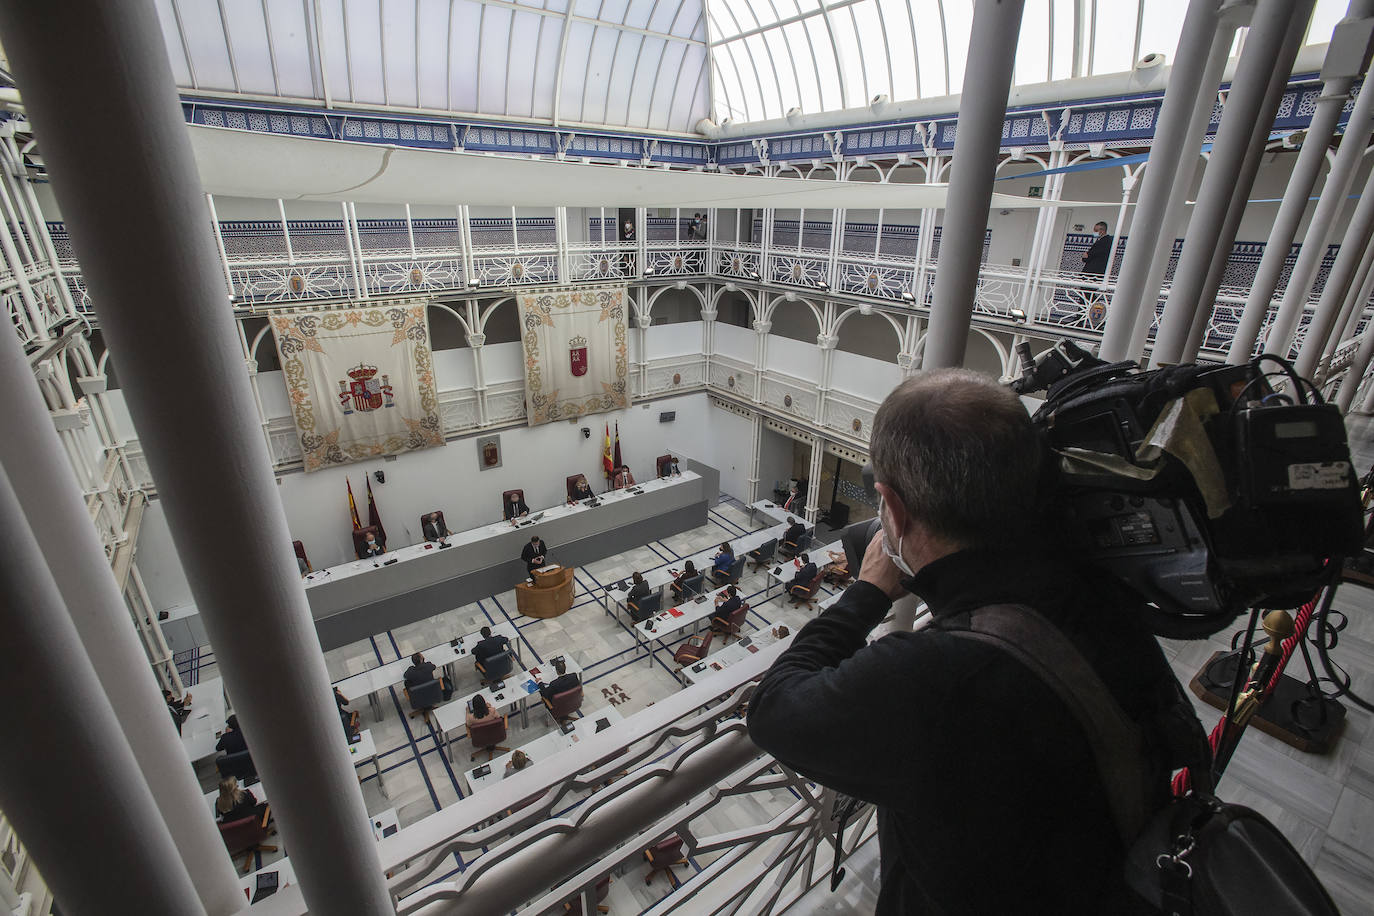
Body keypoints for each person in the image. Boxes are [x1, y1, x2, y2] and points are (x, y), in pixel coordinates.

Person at [747, 368, 1180, 914]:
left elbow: (771, 709)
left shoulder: (935, 675)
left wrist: (866, 592)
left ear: (893, 509)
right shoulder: (1097, 586)